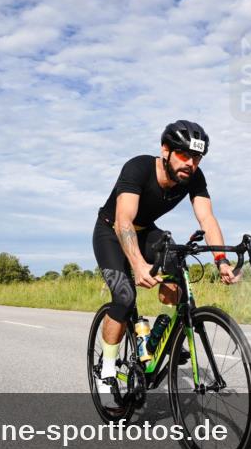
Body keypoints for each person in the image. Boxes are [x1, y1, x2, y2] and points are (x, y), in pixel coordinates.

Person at [93, 120, 240, 392]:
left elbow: (207, 218)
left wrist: (221, 261)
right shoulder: (138, 167)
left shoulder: (194, 177)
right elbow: (123, 220)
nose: (191, 163)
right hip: (111, 231)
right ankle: (108, 367)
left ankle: (160, 338)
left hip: (146, 232)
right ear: (165, 150)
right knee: (124, 296)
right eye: (184, 155)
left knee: (178, 273)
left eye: (197, 157)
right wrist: (137, 264)